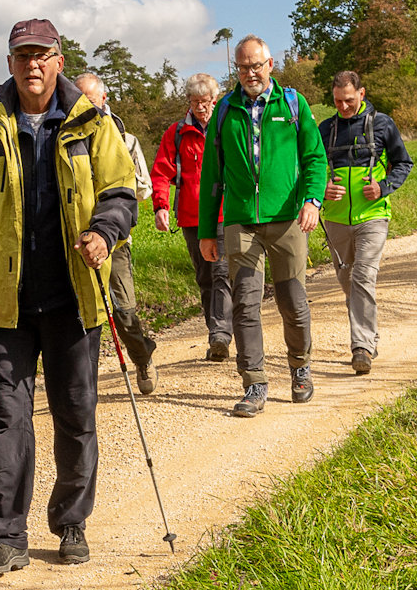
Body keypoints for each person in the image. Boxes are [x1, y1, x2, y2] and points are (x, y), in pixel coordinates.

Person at [0, 24, 139, 575]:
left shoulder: (92, 121)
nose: (31, 65)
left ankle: (70, 521)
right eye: (21, 56)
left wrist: (104, 232)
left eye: (41, 55)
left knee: (76, 414)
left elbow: (120, 192)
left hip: (73, 298)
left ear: (58, 61)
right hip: (4, 305)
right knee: (7, 418)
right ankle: (7, 536)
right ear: (9, 62)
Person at [196, 36, 326, 416]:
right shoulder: (225, 110)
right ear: (236, 69)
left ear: (270, 64)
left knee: (293, 302)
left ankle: (300, 366)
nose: (250, 73)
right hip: (241, 223)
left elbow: (315, 158)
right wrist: (207, 230)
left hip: (287, 220)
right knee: (246, 305)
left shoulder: (293, 104)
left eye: (256, 65)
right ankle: (254, 383)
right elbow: (211, 178)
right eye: (242, 67)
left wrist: (312, 201)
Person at [316, 70, 413, 376]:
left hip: (373, 216)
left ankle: (361, 348)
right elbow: (309, 168)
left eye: (348, 100)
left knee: (362, 277)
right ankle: (370, 335)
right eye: (337, 100)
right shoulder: (325, 129)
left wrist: (382, 188)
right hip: (334, 219)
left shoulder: (382, 124)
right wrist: (321, 189)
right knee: (348, 281)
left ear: (361, 93)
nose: (343, 106)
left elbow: (403, 163)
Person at [72, 70, 158, 393]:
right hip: (78, 240)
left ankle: (142, 355)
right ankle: (79, 388)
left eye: (91, 100)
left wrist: (113, 195)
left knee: (123, 311)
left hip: (116, 239)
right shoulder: (68, 135)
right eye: (80, 99)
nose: (85, 106)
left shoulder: (126, 139)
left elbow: (144, 188)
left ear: (103, 98)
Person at [151, 73, 233, 362]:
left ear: (215, 100)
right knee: (205, 277)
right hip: (191, 217)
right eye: (195, 102)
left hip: (224, 213)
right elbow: (161, 172)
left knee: (222, 272)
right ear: (189, 101)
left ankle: (221, 334)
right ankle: (217, 335)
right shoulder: (176, 133)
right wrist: (160, 205)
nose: (200, 107)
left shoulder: (226, 127)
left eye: (206, 101)